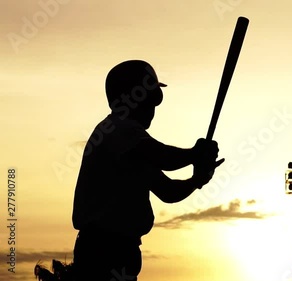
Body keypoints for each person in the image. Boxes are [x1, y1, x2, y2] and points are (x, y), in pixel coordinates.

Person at [71, 60, 223, 281]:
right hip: (103, 250)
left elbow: (168, 191)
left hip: (120, 250)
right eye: (150, 100)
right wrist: (195, 153)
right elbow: (163, 157)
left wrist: (197, 179)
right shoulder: (117, 128)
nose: (152, 110)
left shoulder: (132, 147)